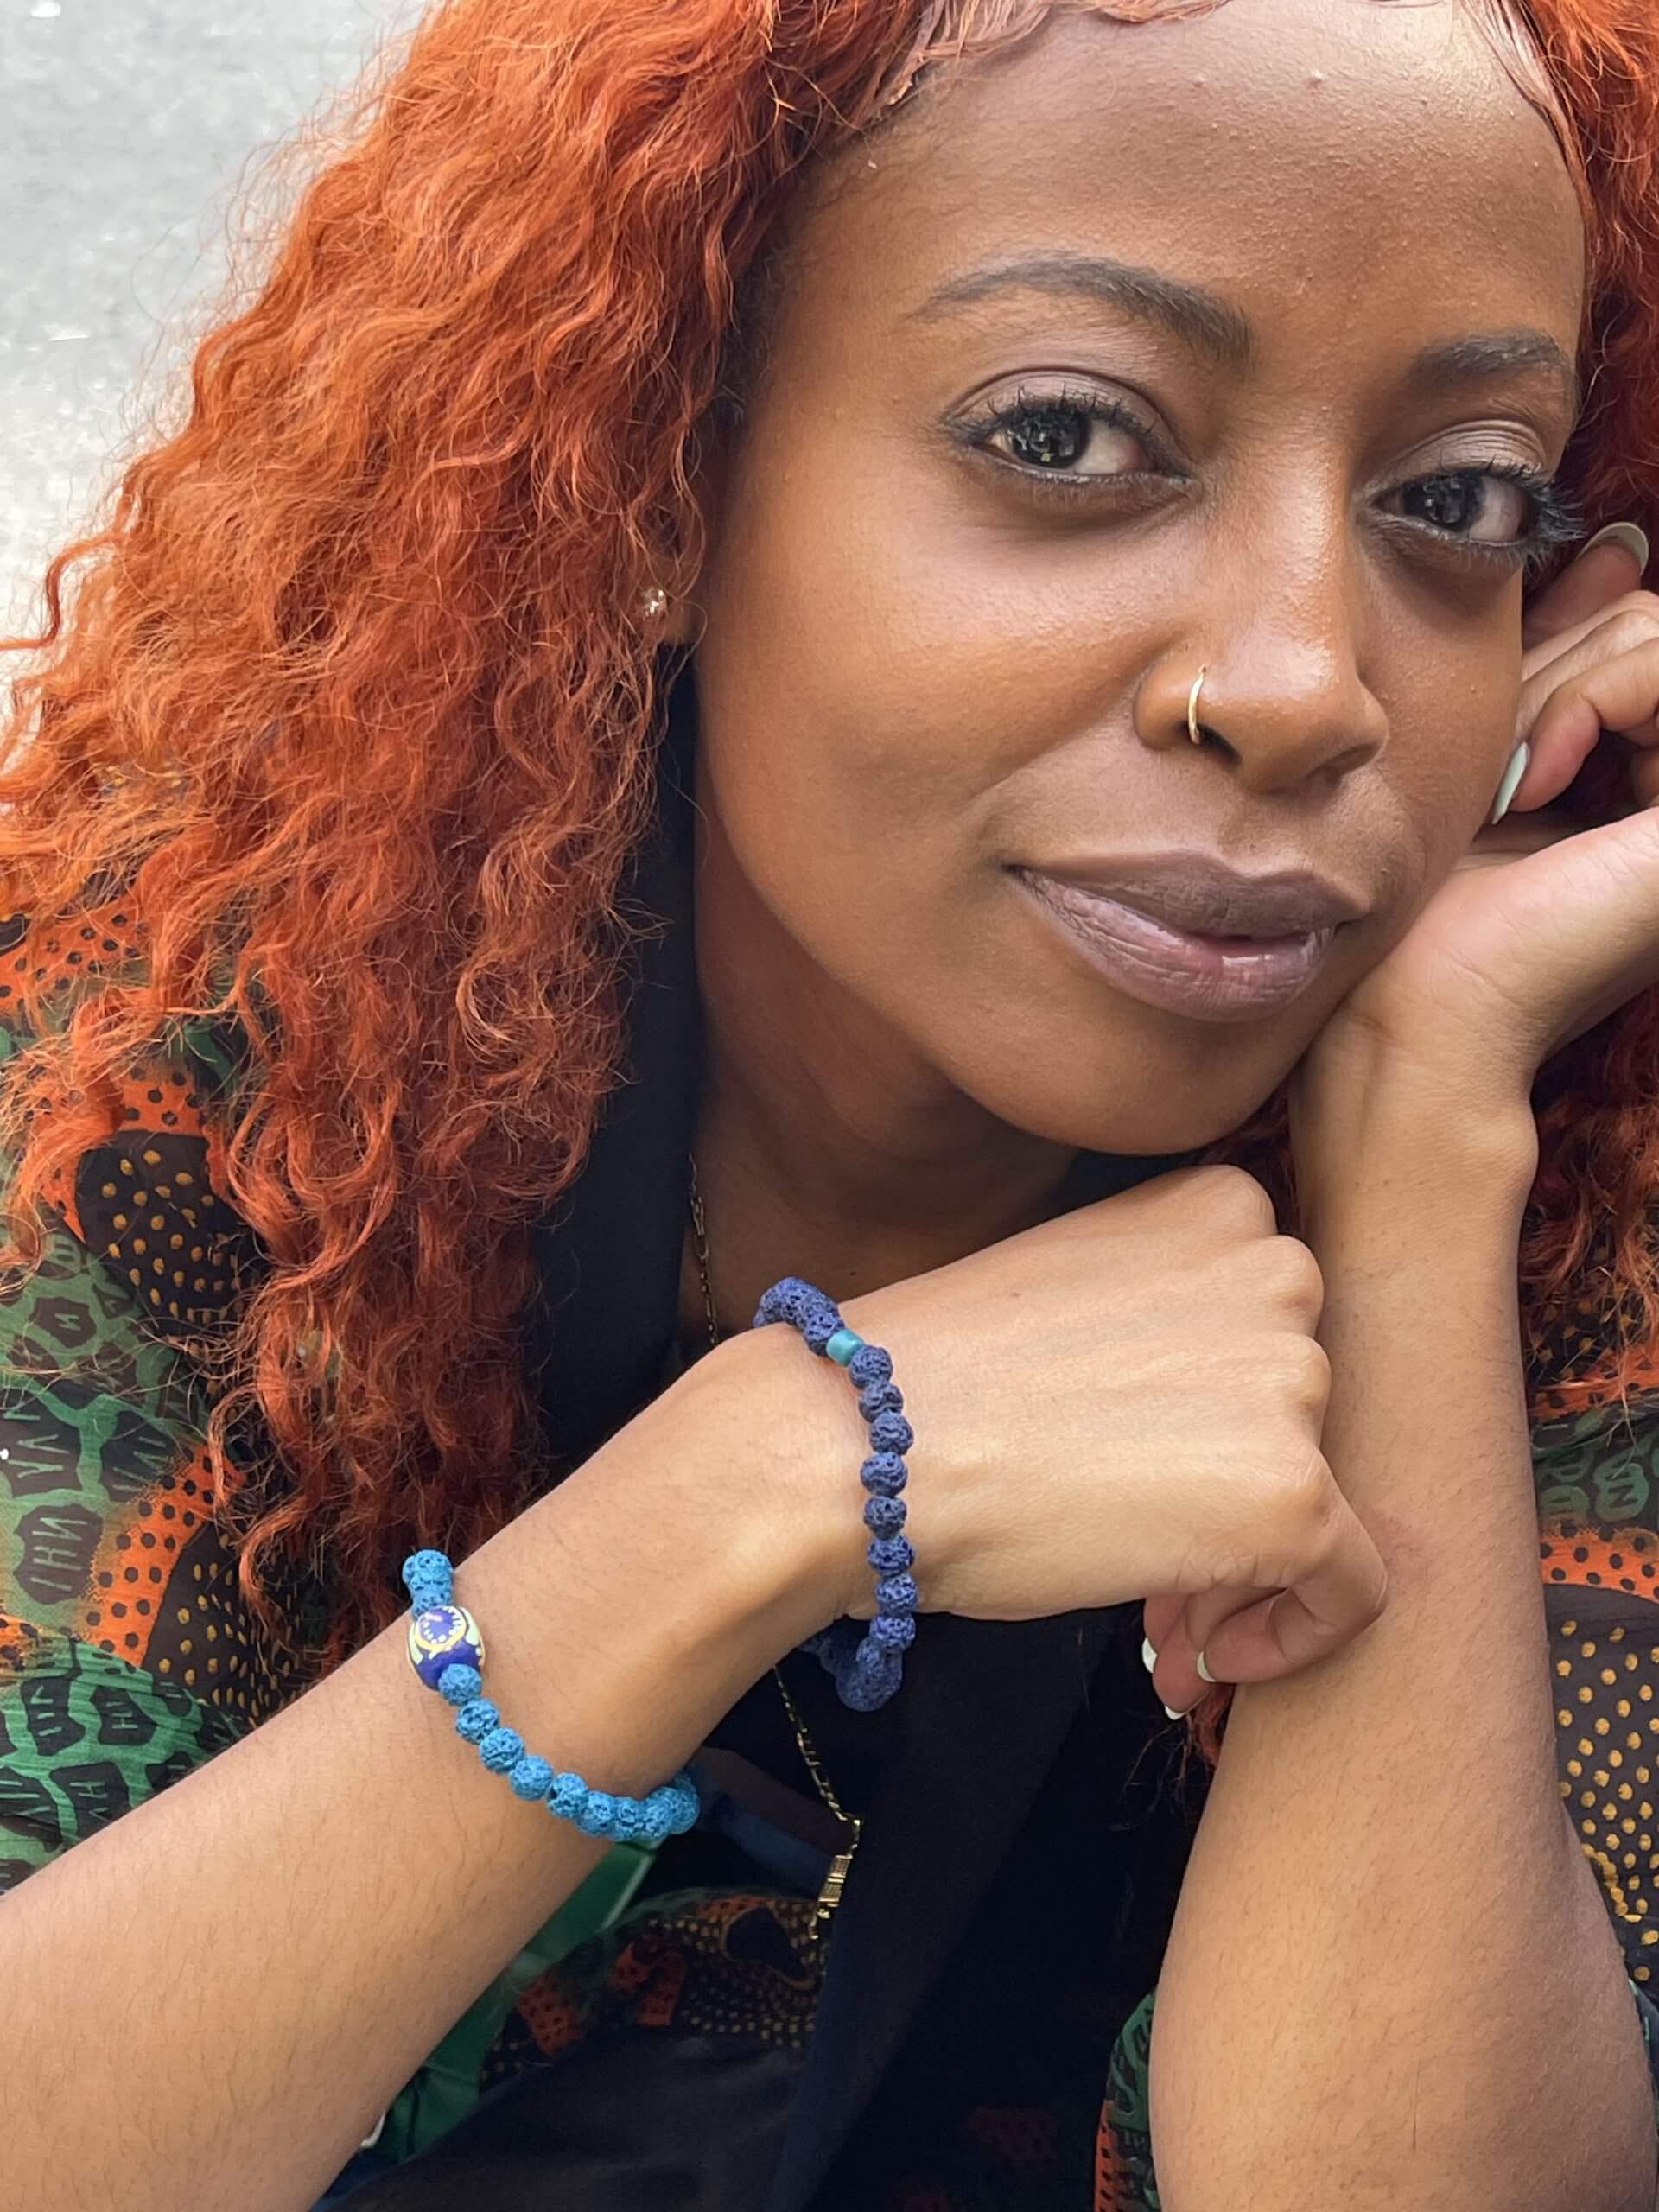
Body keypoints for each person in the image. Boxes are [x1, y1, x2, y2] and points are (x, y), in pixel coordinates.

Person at [4, 0, 1659, 2203]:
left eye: (1454, 499)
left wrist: (1426, 1134)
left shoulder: (1581, 1175)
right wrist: (773, 1477)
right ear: (659, 479)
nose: (1301, 681)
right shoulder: (190, 1065)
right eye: (1070, 438)